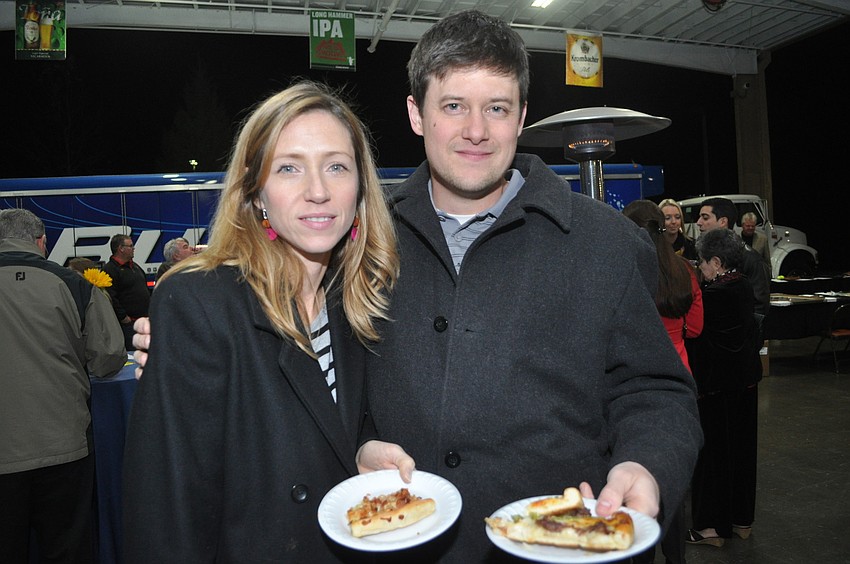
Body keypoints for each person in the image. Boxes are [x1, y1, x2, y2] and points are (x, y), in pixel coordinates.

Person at [133, 12, 703, 562]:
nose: (476, 130)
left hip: (554, 545)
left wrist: (647, 463)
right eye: (453, 105)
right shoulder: (364, 245)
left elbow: (655, 388)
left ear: (522, 115)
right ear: (416, 114)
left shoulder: (602, 241)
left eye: (497, 108)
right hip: (394, 546)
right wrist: (179, 349)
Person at [122, 81, 415, 563]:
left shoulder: (350, 300)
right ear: (256, 192)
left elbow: (312, 429)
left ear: (361, 188)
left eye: (337, 166)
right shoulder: (200, 300)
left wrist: (358, 450)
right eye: (288, 168)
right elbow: (166, 509)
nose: (318, 191)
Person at [0, 208, 126, 563]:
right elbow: (109, 357)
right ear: (42, 241)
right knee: (66, 547)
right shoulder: (76, 285)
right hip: (62, 442)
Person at [623, 200, 703, 564]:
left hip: (633, 379)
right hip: (680, 375)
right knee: (670, 482)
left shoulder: (627, 269)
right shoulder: (684, 269)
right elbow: (698, 327)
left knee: (634, 479)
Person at [685, 228, 762, 547]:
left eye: (702, 263)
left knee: (714, 458)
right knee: (743, 454)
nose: (701, 268)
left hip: (716, 386)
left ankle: (710, 528)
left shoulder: (712, 296)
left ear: (716, 262)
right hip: (745, 381)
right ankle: (741, 520)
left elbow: (696, 336)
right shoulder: (743, 285)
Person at [696, 197, 770, 316]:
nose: (699, 222)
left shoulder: (751, 259)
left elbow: (759, 309)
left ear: (723, 222)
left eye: (705, 217)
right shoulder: (703, 254)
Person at [102, 233, 150, 350]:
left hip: (144, 321)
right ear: (121, 249)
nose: (133, 248)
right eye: (130, 246)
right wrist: (123, 317)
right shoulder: (110, 269)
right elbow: (110, 296)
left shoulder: (135, 267)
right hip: (128, 325)